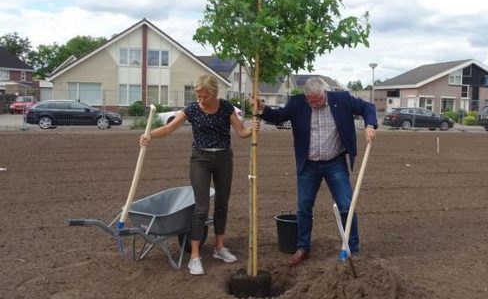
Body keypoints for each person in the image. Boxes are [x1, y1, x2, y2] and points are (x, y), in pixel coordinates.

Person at [140, 73, 258, 275]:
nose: (201, 100)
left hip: (223, 159)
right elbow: (169, 128)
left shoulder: (226, 107)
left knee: (222, 204)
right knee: (201, 207)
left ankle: (219, 248)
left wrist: (252, 129)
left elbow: (241, 132)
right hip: (200, 160)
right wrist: (149, 135)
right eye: (199, 96)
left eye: (205, 97)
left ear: (214, 93)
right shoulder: (193, 109)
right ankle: (195, 256)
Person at [253, 76, 377, 266]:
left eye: (316, 101)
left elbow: (368, 107)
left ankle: (352, 248)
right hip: (308, 164)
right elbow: (279, 116)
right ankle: (303, 247)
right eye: (310, 101)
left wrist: (369, 125)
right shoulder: (298, 103)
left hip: (335, 162)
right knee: (304, 207)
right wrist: (262, 109)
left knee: (346, 205)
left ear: (324, 93)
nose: (313, 104)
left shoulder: (342, 100)